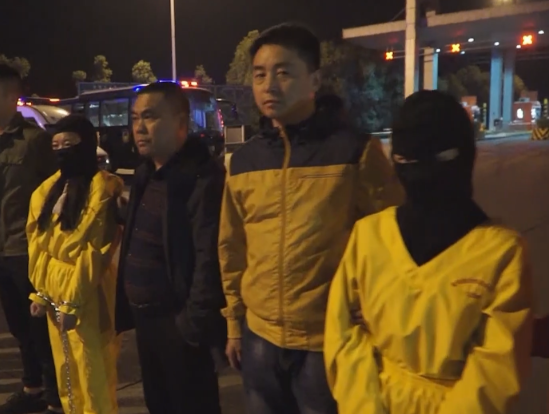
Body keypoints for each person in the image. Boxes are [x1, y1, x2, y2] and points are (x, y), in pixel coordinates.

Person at [218, 23, 404, 414]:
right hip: (259, 337)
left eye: (283, 73)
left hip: (327, 340)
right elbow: (232, 247)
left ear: (314, 80)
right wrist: (235, 324)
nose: (269, 85)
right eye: (260, 75)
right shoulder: (245, 160)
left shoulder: (354, 151)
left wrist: (373, 314)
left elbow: (390, 241)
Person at [324, 90, 534, 414]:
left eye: (434, 159)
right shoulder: (368, 236)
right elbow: (342, 337)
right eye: (405, 162)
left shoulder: (500, 254)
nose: (420, 175)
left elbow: (494, 374)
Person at [116, 81, 227, 414]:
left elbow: (209, 257)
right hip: (146, 322)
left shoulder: (202, 177)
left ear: (181, 122)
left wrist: (190, 326)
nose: (139, 128)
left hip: (179, 326)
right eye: (135, 117)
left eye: (150, 117)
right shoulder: (145, 174)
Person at [0, 62, 62, 414]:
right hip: (2, 250)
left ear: (12, 96)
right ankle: (33, 388)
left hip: (30, 251)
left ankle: (55, 396)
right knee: (19, 328)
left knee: (40, 327)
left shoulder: (35, 141)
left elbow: (55, 196)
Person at [27, 114, 122, 414]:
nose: (61, 151)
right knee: (66, 368)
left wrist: (72, 302)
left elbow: (95, 250)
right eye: (56, 145)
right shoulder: (46, 190)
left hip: (89, 294)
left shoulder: (102, 189)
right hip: (54, 293)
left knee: (94, 372)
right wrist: (41, 292)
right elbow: (37, 243)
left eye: (69, 145)